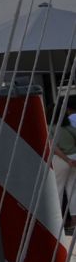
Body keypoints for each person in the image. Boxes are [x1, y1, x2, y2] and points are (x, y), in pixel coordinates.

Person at [53, 97, 76, 235]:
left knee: (58, 190)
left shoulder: (50, 127)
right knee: (73, 190)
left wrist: (67, 159)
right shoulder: (69, 127)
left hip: (61, 160)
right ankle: (74, 222)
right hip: (75, 158)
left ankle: (57, 223)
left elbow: (53, 147)